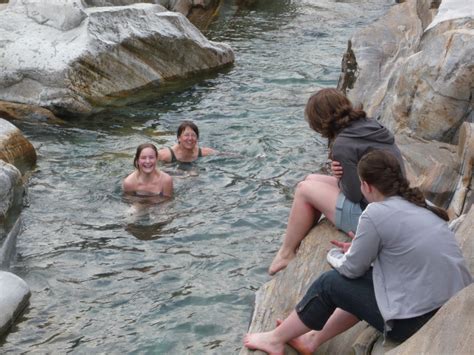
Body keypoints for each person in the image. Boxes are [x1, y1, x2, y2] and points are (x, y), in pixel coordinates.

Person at [244, 149, 472, 355]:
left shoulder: (375, 213)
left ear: (367, 185)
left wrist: (342, 257)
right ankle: (312, 339)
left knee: (329, 284)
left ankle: (275, 339)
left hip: (415, 321)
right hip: (449, 306)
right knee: (369, 284)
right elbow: (404, 255)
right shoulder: (425, 205)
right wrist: (362, 250)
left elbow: (352, 270)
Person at [269, 88, 404, 275]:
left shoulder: (343, 143)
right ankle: (292, 244)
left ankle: (286, 253)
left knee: (303, 188)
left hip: (372, 215)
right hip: (393, 201)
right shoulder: (370, 125)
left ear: (319, 121)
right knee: (311, 179)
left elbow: (355, 194)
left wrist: (340, 178)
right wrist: (341, 175)